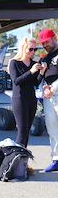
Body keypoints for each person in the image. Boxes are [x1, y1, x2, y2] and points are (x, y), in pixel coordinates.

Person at [8, 38, 42, 148]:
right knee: (22, 132)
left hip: (32, 100)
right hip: (19, 100)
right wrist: (31, 71)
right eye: (30, 49)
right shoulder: (14, 63)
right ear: (23, 48)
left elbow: (36, 83)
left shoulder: (34, 63)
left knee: (26, 132)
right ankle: (16, 160)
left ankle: (23, 161)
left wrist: (41, 72)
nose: (33, 52)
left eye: (35, 49)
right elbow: (16, 81)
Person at [37, 29, 58, 172]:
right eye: (43, 43)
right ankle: (56, 159)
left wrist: (53, 88)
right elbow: (39, 79)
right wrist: (44, 87)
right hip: (48, 97)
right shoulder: (44, 58)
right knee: (52, 128)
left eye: (47, 41)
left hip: (55, 92)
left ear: (55, 37)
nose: (46, 45)